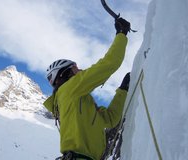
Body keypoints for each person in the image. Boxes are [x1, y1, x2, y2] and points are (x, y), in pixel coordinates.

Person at [43, 18, 131, 160]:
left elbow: (110, 119)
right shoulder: (68, 89)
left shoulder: (81, 103)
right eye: (75, 69)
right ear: (65, 74)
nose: (80, 70)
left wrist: (122, 90)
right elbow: (108, 64)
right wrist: (121, 35)